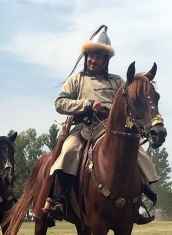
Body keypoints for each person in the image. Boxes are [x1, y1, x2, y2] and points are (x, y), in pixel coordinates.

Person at [49, 25, 158, 224]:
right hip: (84, 128)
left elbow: (129, 102)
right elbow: (60, 104)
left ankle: (136, 203)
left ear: (105, 60)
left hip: (112, 130)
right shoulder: (76, 80)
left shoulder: (117, 81)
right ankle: (59, 199)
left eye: (98, 57)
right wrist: (88, 104)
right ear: (86, 57)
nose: (93, 60)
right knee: (69, 152)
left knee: (140, 157)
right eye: (91, 56)